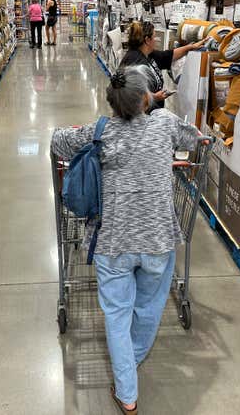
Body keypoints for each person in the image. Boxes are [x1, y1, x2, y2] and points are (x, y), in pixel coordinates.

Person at [51, 66, 205, 415]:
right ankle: (130, 367)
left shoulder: (100, 131)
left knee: (117, 316)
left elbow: (58, 141)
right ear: (147, 97)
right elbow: (194, 139)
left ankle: (128, 393)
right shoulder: (164, 125)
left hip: (112, 242)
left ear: (112, 101)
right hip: (157, 239)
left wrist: (69, 131)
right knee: (148, 309)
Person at [121, 21, 206, 109]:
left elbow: (168, 55)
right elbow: (131, 98)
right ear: (147, 40)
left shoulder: (149, 55)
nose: (156, 40)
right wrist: (155, 97)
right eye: (154, 37)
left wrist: (190, 47)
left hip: (152, 115)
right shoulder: (134, 63)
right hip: (140, 119)